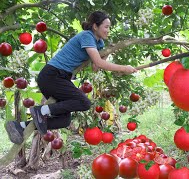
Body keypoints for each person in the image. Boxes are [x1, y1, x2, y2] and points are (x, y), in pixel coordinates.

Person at [5, 11, 137, 144]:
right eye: (106, 26)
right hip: (52, 75)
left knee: (64, 120)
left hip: (61, 78)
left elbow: (96, 67)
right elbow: (98, 62)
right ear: (95, 26)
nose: (109, 30)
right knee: (84, 103)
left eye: (109, 27)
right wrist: (124, 68)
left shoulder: (99, 43)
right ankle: (41, 111)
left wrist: (108, 52)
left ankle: (20, 126)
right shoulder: (87, 36)